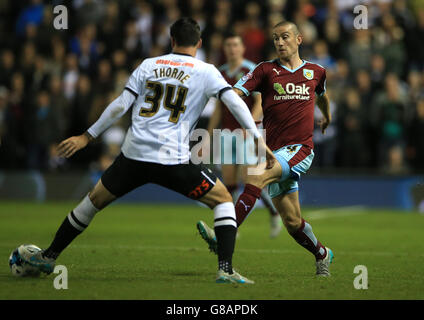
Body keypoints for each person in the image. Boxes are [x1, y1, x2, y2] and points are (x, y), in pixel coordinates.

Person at [18, 17, 275, 284]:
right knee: (223, 199)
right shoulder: (206, 71)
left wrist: (87, 136)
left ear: (172, 40)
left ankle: (48, 257)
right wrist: (257, 138)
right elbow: (234, 102)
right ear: (198, 43)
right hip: (171, 159)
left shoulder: (148, 65)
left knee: (92, 202)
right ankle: (226, 270)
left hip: (134, 155)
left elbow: (120, 105)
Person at [197, 21, 334, 276]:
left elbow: (323, 95)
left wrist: (326, 116)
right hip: (274, 151)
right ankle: (322, 254)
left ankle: (224, 234)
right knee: (292, 222)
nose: (280, 42)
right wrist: (230, 97)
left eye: (285, 37)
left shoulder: (316, 71)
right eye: (275, 38)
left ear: (299, 40)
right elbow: (236, 92)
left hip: (300, 149)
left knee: (256, 176)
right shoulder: (265, 70)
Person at [205, 32, 281, 238]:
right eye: (228, 45)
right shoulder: (219, 73)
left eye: (235, 45)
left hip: (248, 133)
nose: (232, 49)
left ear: (242, 48)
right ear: (225, 49)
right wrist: (209, 134)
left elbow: (259, 103)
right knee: (229, 182)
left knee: (250, 181)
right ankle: (231, 224)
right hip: (227, 133)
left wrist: (252, 129)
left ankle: (274, 213)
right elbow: (219, 108)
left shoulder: (250, 70)